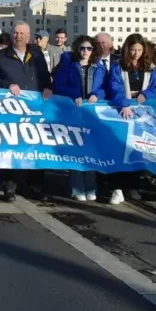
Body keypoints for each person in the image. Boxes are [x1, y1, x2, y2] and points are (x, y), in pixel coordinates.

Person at [0, 21, 53, 202]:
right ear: (12, 35)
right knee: (13, 148)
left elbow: (44, 76)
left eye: (22, 33)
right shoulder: (0, 57)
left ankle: (35, 186)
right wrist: (7, 85)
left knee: (35, 148)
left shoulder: (37, 54)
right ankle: (10, 187)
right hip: (11, 110)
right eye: (16, 33)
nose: (18, 36)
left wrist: (48, 87)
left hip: (34, 109)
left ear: (29, 35)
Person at [108, 33, 156, 204]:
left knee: (137, 150)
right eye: (133, 50)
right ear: (128, 49)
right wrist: (124, 102)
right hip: (123, 112)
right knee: (119, 149)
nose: (136, 54)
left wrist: (146, 94)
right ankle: (117, 188)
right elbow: (115, 86)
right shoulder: (119, 66)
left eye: (139, 50)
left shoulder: (150, 67)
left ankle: (133, 186)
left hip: (141, 115)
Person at [52, 36, 106, 201]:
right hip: (73, 113)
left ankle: (91, 187)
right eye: (82, 48)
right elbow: (57, 86)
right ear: (77, 49)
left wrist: (98, 94)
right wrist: (73, 93)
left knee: (91, 151)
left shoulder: (100, 68)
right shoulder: (69, 66)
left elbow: (105, 88)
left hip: (92, 114)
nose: (85, 51)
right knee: (76, 150)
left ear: (93, 50)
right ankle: (77, 188)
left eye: (89, 48)